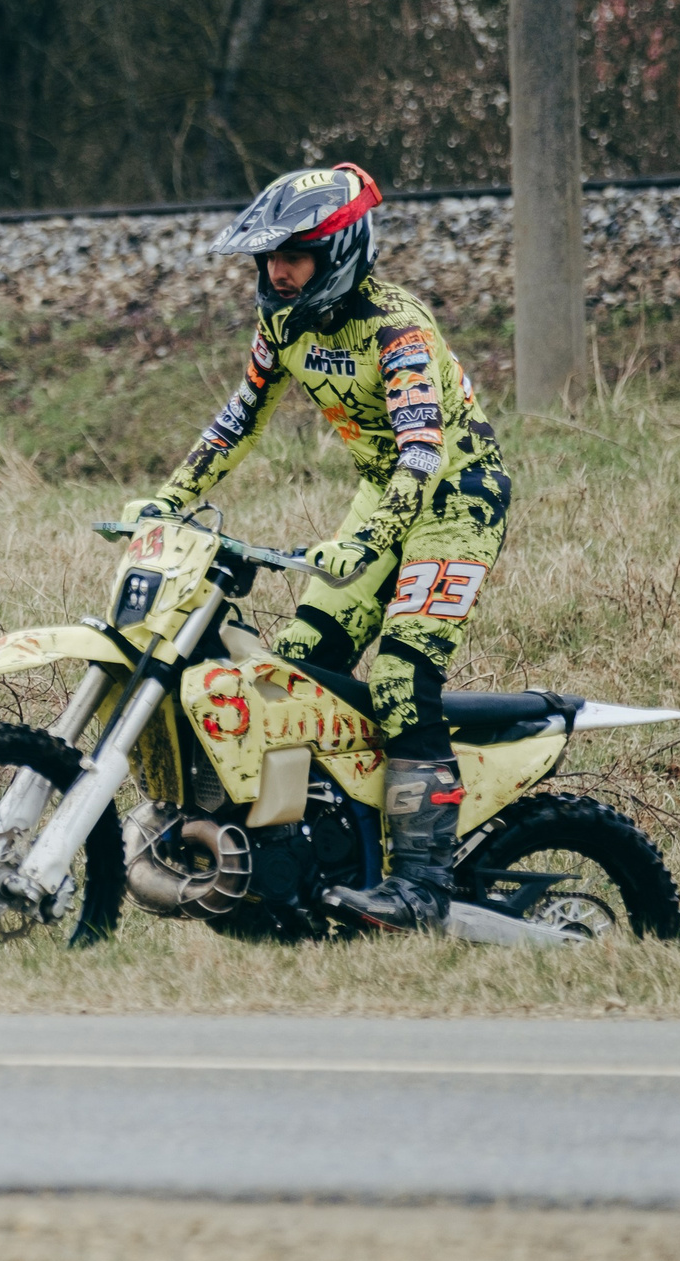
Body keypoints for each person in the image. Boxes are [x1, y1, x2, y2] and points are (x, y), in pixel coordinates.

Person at [121, 163, 511, 932]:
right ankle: (317, 861)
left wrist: (362, 540)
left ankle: (423, 888)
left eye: (293, 254)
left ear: (340, 250)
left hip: (456, 499)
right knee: (296, 674)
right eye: (268, 257)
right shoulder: (282, 324)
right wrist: (167, 498)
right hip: (380, 493)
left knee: (402, 675)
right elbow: (239, 417)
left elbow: (422, 454)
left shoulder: (397, 328)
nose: (276, 271)